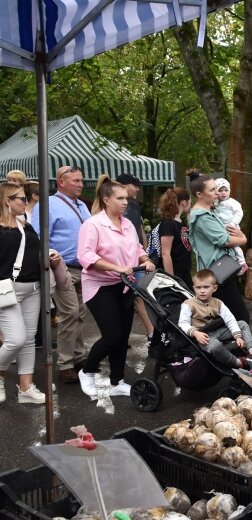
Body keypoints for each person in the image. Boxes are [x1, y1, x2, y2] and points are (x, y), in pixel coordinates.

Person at [77, 175, 155, 398]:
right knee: (112, 336)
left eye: (125, 198)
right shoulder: (92, 225)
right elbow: (85, 256)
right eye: (119, 198)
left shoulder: (128, 224)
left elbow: (137, 248)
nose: (125, 202)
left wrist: (144, 259)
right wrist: (118, 267)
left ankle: (117, 381)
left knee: (122, 337)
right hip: (99, 287)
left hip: (124, 286)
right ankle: (87, 370)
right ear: (105, 200)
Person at [31, 165, 90, 384]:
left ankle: (78, 356)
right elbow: (36, 236)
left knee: (80, 312)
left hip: (83, 268)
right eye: (75, 180)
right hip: (61, 267)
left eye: (81, 180)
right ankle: (65, 364)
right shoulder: (46, 205)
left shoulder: (82, 205)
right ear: (61, 182)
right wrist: (47, 256)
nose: (80, 184)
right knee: (71, 312)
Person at [0, 182, 53, 404]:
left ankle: (25, 387)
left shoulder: (25, 225)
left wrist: (49, 256)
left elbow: (35, 251)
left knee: (29, 339)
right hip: (7, 291)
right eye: (21, 198)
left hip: (33, 288)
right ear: (7, 202)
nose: (26, 201)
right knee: (16, 339)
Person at [187, 170, 250, 323]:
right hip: (218, 273)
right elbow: (225, 240)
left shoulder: (209, 211)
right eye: (212, 189)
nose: (217, 193)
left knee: (229, 318)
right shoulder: (202, 217)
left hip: (223, 270)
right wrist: (242, 239)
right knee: (239, 318)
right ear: (199, 194)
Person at [179, 269, 252, 369]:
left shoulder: (218, 303)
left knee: (242, 324)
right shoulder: (188, 304)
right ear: (194, 288)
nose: (202, 290)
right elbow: (183, 323)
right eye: (198, 287)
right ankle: (237, 363)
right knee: (214, 346)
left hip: (218, 330)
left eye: (206, 287)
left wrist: (237, 336)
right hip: (203, 336)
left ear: (214, 288)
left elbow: (230, 319)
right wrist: (195, 333)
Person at [116, 173, 155, 346]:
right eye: (135, 185)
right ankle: (148, 333)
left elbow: (138, 230)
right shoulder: (118, 210)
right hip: (123, 263)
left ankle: (151, 333)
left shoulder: (134, 206)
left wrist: (144, 253)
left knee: (140, 295)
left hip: (138, 259)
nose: (138, 189)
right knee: (134, 297)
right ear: (123, 185)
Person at [156, 187, 193, 289]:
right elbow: (165, 253)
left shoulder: (181, 222)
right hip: (175, 274)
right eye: (190, 202)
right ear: (184, 202)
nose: (190, 205)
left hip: (184, 272)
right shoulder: (168, 223)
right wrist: (172, 279)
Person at [214, 178, 248, 274]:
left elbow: (239, 213)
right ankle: (231, 266)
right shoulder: (216, 203)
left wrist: (233, 223)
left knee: (235, 246)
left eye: (226, 190)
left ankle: (242, 263)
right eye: (220, 190)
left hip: (231, 227)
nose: (223, 193)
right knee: (227, 247)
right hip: (222, 228)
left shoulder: (233, 203)